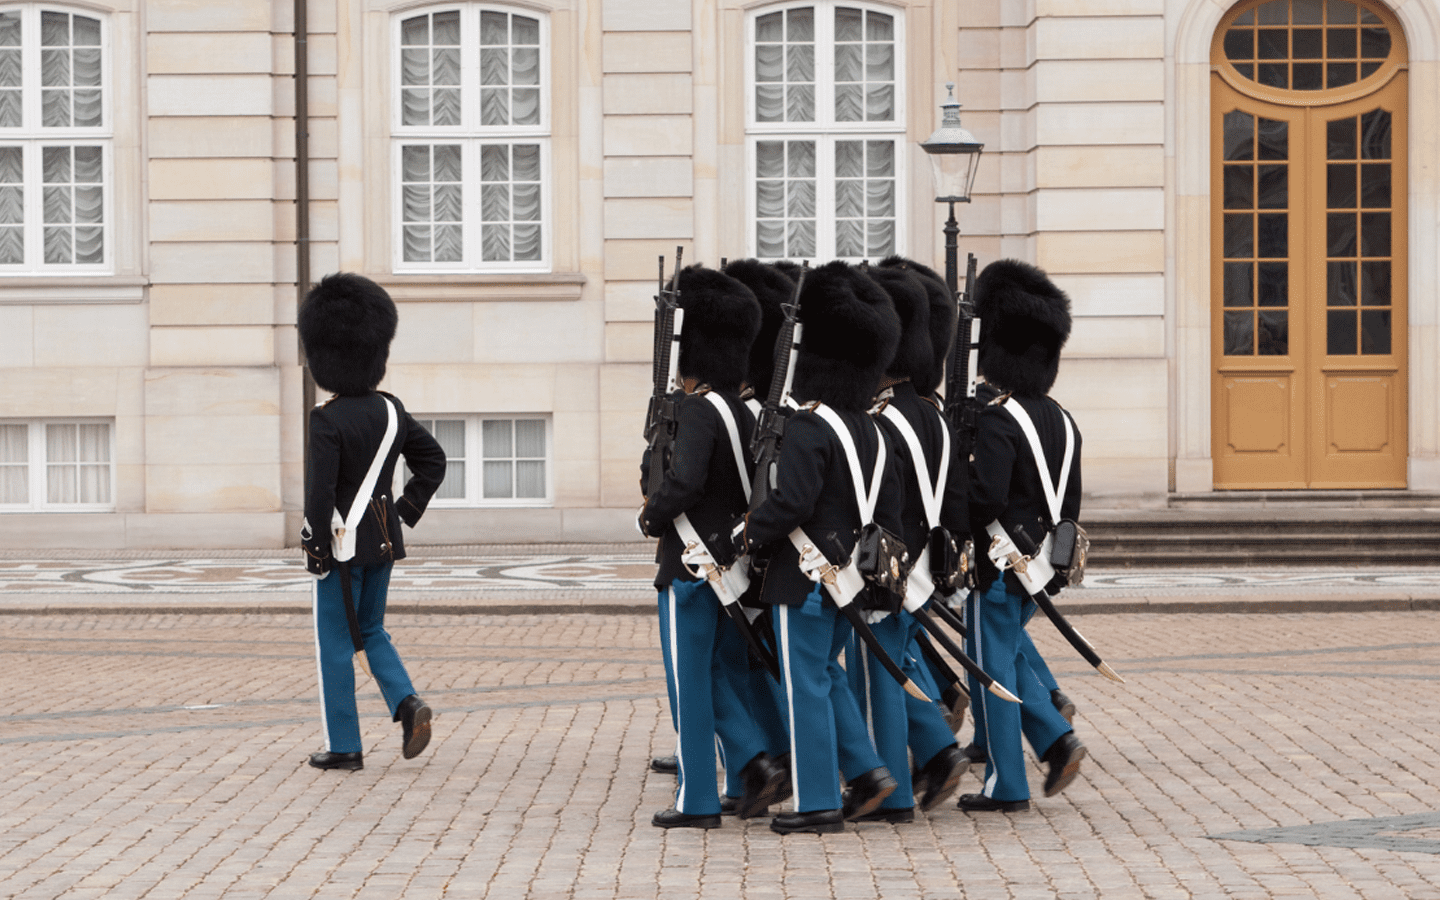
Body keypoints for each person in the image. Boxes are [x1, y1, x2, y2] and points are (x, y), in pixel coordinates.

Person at [731, 260, 904, 834]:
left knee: (804, 685)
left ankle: (817, 803)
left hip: (804, 577)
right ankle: (869, 770)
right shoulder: (874, 428)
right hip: (849, 577)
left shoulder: (809, 425)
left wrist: (746, 531)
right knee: (826, 676)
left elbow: (791, 504)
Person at [638, 264, 786, 829]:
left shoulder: (699, 411)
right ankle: (745, 766)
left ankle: (700, 794)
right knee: (722, 672)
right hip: (734, 565)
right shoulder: (749, 409)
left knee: (691, 681)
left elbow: (681, 483)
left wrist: (649, 514)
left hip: (692, 561)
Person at [299, 272, 447, 772]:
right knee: (373, 630)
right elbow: (434, 462)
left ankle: (344, 746)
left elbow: (319, 494)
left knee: (336, 647)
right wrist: (402, 513)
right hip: (383, 543)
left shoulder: (327, 418)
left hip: (341, 549)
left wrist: (315, 548)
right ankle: (406, 703)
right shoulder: (392, 410)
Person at [958, 258, 1087, 812]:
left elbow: (983, 498)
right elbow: (1071, 501)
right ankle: (1052, 737)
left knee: (993, 670)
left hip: (997, 563)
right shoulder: (1062, 417)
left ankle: (1007, 784)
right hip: (1041, 564)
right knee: (1004, 656)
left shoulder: (996, 417)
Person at [865, 258, 972, 815]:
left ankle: (905, 783)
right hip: (928, 557)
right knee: (901, 661)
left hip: (893, 559)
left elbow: (885, 497)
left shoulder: (881, 417)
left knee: (884, 671)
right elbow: (953, 496)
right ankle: (934, 752)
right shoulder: (931, 414)